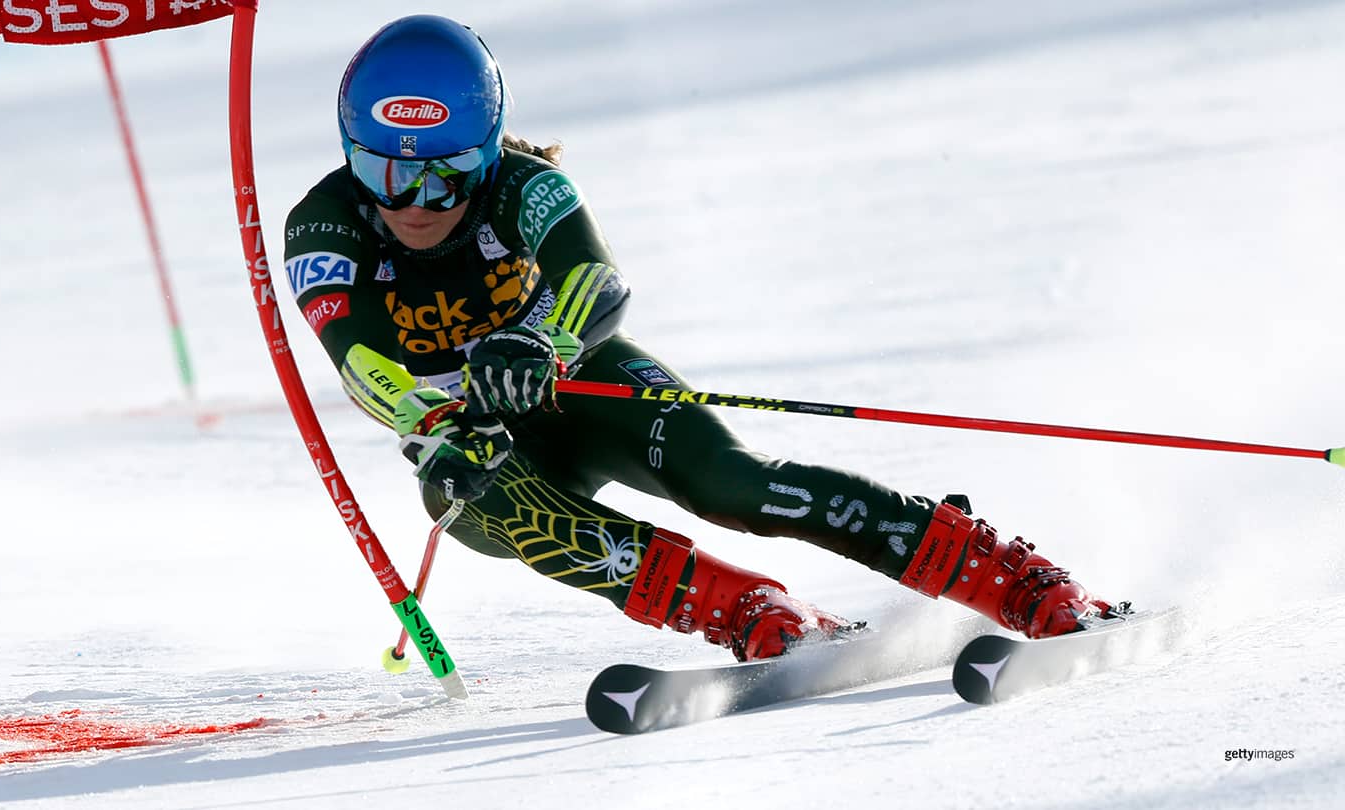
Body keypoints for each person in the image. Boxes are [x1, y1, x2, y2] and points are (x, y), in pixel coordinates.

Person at [283, 14, 1118, 662]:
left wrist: (540, 344)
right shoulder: (321, 225)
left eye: (448, 172)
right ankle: (745, 607)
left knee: (732, 485)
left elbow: (597, 284)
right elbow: (357, 361)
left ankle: (1000, 572)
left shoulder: (528, 186)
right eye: (385, 170)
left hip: (582, 383)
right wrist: (435, 424)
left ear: (491, 150)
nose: (417, 202)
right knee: (483, 498)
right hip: (475, 433)